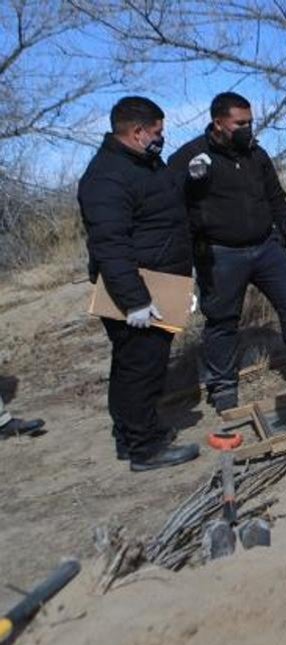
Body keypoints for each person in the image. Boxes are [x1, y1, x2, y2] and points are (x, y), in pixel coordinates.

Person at [168, 92, 286, 414]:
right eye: (240, 123)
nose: (247, 128)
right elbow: (173, 209)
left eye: (249, 122)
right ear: (219, 123)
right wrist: (187, 263)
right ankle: (223, 386)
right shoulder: (191, 157)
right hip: (219, 253)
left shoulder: (256, 154)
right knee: (222, 320)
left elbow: (276, 198)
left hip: (266, 246)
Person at [78, 96, 200, 472]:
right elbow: (110, 245)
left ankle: (131, 434)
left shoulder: (142, 164)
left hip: (161, 281)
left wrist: (186, 179)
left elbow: (157, 208)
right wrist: (135, 301)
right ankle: (144, 449)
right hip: (141, 289)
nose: (162, 138)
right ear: (136, 132)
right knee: (140, 368)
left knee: (135, 365)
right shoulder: (106, 177)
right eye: (158, 132)